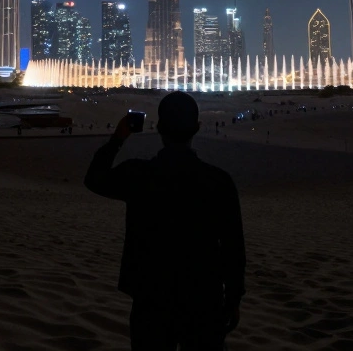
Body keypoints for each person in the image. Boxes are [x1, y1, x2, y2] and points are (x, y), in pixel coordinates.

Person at [85, 91, 245, 350]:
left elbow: (94, 179)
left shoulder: (139, 175)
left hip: (151, 297)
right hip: (203, 297)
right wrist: (234, 297)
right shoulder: (218, 181)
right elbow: (233, 246)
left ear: (158, 127)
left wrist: (118, 138)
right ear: (197, 128)